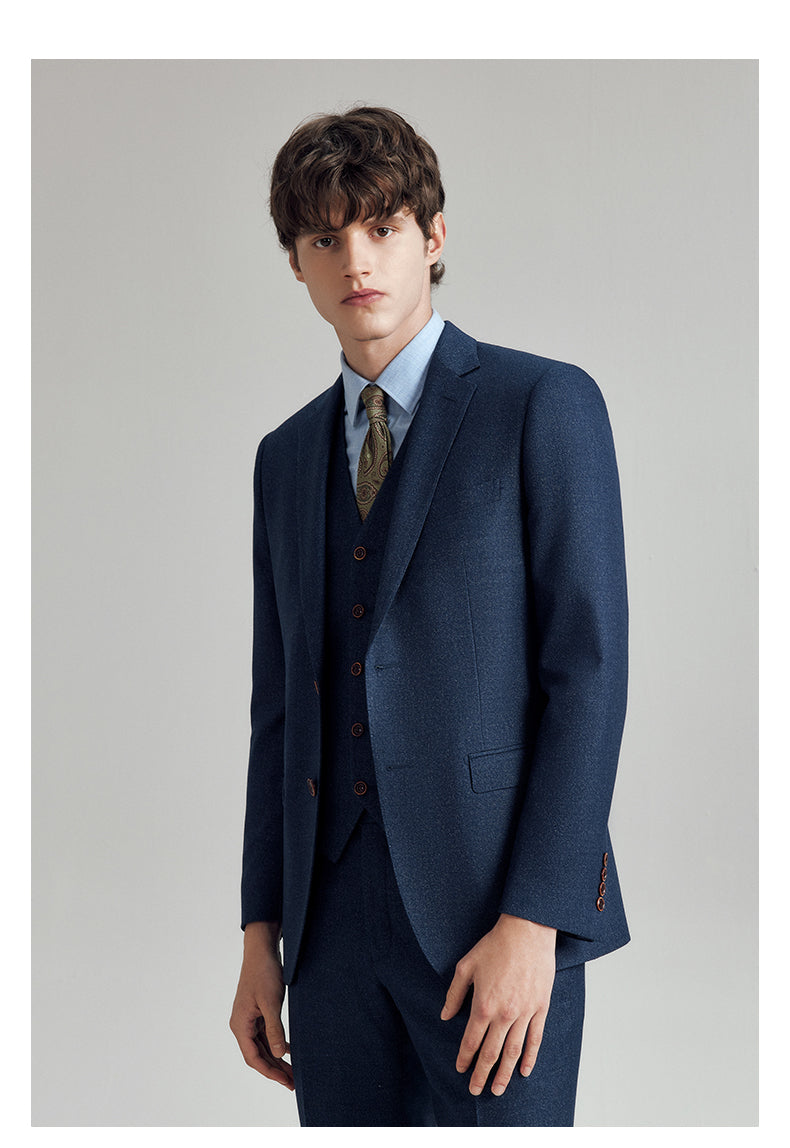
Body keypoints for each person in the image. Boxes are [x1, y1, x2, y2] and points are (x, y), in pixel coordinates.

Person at [229, 105, 630, 1127]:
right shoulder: (285, 459)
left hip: (491, 926)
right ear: (296, 264)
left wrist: (535, 919)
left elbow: (586, 677)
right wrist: (260, 934)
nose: (355, 259)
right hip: (328, 941)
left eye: (382, 226)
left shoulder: (541, 405)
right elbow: (279, 711)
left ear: (434, 234)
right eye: (325, 238)